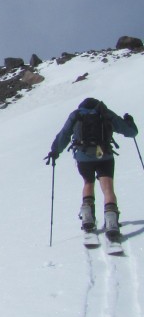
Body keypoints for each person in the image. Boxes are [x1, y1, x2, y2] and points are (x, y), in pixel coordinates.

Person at [46, 97, 137, 239]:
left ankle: (87, 217)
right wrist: (130, 122)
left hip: (83, 157)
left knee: (88, 183)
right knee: (108, 188)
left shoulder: (76, 115)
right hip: (104, 155)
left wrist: (55, 151)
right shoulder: (105, 112)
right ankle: (111, 222)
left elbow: (64, 134)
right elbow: (129, 132)